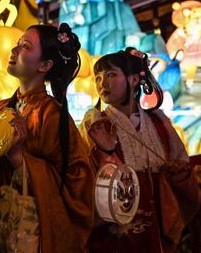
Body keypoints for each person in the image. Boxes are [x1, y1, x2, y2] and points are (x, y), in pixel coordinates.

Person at [0, 23, 95, 252]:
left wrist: (19, 159)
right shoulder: (0, 109)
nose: (14, 50)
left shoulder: (52, 113)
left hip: (31, 233)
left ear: (45, 65)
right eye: (17, 44)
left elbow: (77, 178)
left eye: (25, 46)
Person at [80, 48, 200, 253]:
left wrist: (177, 173)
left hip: (158, 225)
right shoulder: (96, 124)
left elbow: (182, 165)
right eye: (98, 78)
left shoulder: (159, 122)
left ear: (134, 79)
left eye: (111, 75)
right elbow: (84, 178)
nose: (102, 83)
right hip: (114, 232)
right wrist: (105, 152)